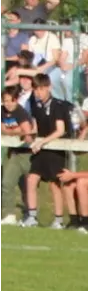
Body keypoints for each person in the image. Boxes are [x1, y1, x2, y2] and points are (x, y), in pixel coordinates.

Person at [22, 74, 72, 228]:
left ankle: (58, 219)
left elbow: (60, 130)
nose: (39, 93)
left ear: (49, 88)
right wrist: (30, 136)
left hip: (55, 149)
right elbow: (36, 127)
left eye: (42, 89)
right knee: (31, 179)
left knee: (54, 184)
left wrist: (43, 141)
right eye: (36, 89)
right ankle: (32, 217)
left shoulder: (57, 105)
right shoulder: (35, 105)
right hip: (41, 148)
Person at [1, 85, 35, 225]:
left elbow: (27, 132)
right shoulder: (2, 111)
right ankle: (9, 215)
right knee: (7, 183)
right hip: (14, 153)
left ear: (17, 100)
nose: (8, 104)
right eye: (5, 101)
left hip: (27, 154)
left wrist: (10, 131)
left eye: (11, 100)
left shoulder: (21, 113)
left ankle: (30, 215)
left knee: (27, 187)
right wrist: (15, 131)